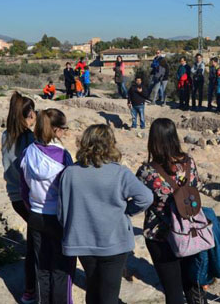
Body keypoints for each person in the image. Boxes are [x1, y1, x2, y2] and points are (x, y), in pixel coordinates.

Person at [58, 125, 153, 304]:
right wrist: (128, 211)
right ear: (110, 144)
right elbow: (146, 197)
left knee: (92, 288)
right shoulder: (119, 172)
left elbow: (62, 211)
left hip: (83, 243)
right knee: (109, 294)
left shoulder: (70, 172)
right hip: (113, 242)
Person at [136, 118, 207, 304]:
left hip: (160, 233)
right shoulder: (189, 163)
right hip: (188, 230)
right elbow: (195, 188)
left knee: (173, 291)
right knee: (192, 285)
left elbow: (139, 199)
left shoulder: (146, 171)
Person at [20, 108, 76, 304]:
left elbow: (23, 189)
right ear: (56, 130)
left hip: (35, 215)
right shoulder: (63, 156)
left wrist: (32, 208)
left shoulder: (28, 152)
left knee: (41, 267)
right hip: (58, 218)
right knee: (61, 268)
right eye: (63, 129)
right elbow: (70, 189)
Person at [1, 92, 37, 304]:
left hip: (14, 196)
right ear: (28, 114)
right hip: (27, 198)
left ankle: (31, 288)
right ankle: (31, 290)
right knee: (35, 244)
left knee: (34, 239)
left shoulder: (6, 135)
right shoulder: (28, 138)